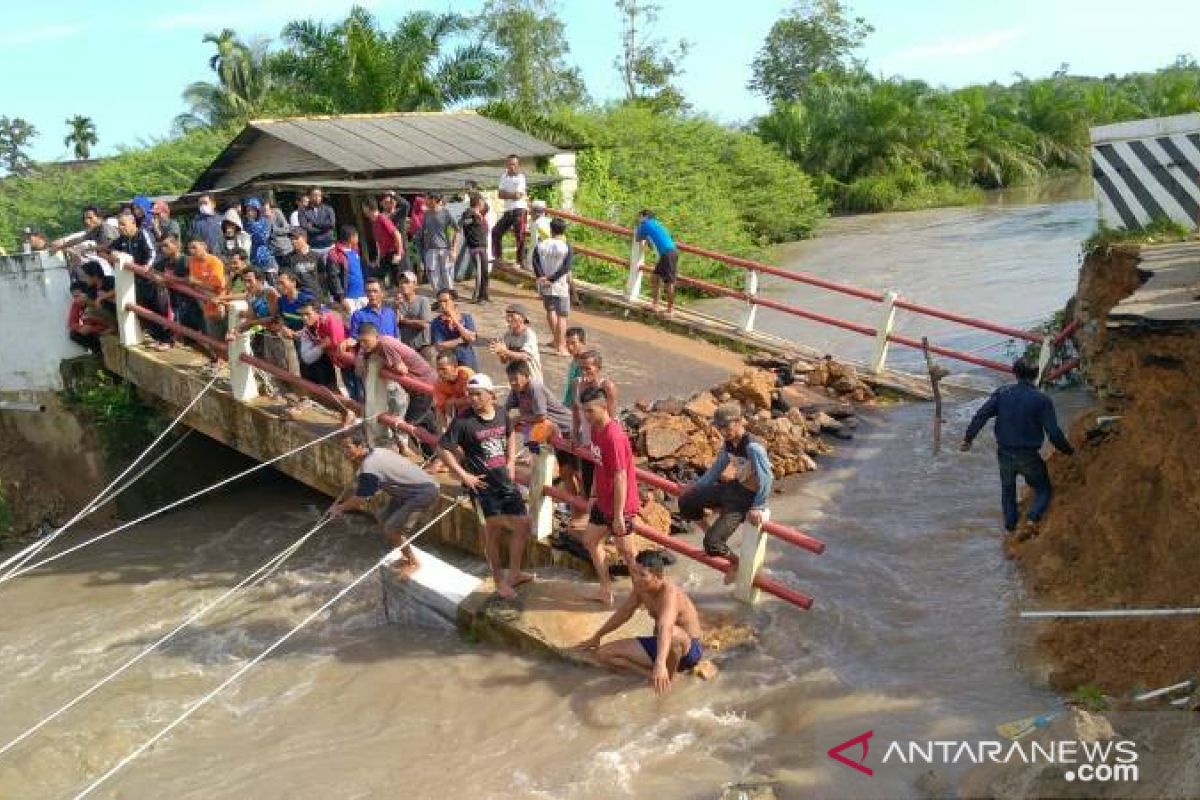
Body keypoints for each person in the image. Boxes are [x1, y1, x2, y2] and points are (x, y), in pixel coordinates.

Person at [437, 373, 533, 600]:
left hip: (505, 482)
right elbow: (443, 448)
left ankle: (516, 573)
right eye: (470, 395)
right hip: (482, 486)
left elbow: (509, 435)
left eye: (477, 395)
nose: (472, 399)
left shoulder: (501, 413)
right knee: (494, 530)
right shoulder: (463, 421)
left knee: (523, 526)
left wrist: (510, 461)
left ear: (491, 395)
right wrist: (462, 475)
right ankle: (500, 580)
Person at [961, 358, 1075, 537]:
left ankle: (1010, 528)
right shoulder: (1042, 400)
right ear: (1036, 375)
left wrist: (968, 438)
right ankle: (1032, 519)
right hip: (1028, 455)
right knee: (1043, 489)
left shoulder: (1002, 393)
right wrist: (1068, 451)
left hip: (1005, 453)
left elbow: (981, 415)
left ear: (1015, 373)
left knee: (1008, 491)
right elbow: (1054, 433)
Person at [577, 550, 704, 695]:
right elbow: (624, 613)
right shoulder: (641, 587)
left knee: (673, 633)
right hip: (662, 646)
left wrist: (660, 663)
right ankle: (651, 675)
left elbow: (666, 627)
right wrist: (598, 636)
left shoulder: (670, 593)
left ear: (658, 577)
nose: (636, 579)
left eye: (642, 575)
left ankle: (669, 678)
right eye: (635, 572)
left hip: (688, 650)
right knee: (603, 654)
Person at [678, 404, 773, 583]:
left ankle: (735, 562)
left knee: (712, 545)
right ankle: (711, 533)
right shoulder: (729, 444)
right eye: (720, 428)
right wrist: (696, 486)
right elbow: (716, 469)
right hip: (733, 488)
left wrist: (758, 506)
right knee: (686, 501)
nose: (724, 432)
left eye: (727, 427)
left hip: (746, 499)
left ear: (739, 422)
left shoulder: (753, 447)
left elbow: (767, 477)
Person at [332, 433, 440, 578]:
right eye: (342, 448)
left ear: (362, 446)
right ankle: (404, 554)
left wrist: (340, 507)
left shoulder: (369, 468)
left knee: (392, 529)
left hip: (422, 493)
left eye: (348, 447)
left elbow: (360, 500)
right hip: (406, 491)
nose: (344, 451)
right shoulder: (377, 451)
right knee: (383, 518)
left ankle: (414, 563)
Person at [575, 384, 640, 605]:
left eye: (590, 411)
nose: (586, 415)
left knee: (628, 553)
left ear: (604, 408)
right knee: (590, 541)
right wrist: (593, 494)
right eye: (584, 410)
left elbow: (620, 477)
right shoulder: (595, 429)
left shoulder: (614, 437)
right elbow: (598, 464)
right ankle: (605, 589)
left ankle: (643, 596)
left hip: (621, 506)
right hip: (603, 502)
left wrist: (619, 514)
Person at [356, 323, 438, 451]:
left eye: (366, 341)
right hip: (420, 386)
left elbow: (402, 370)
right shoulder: (377, 344)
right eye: (360, 341)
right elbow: (362, 352)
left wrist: (385, 367)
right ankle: (433, 454)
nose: (363, 345)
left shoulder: (385, 345)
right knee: (425, 422)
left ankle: (428, 454)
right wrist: (362, 355)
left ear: (376, 337)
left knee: (408, 425)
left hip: (423, 385)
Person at [111, 211, 174, 351]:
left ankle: (167, 340)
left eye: (123, 224)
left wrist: (147, 266)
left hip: (152, 280)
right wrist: (113, 253)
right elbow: (111, 248)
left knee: (159, 309)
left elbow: (152, 252)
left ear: (133, 223)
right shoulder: (121, 240)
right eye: (119, 225)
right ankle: (157, 338)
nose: (120, 227)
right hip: (137, 282)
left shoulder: (143, 234)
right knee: (145, 311)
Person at [296, 300, 355, 425]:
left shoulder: (329, 321)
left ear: (318, 313)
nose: (304, 318)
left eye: (308, 314)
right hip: (343, 363)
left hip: (351, 361)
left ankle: (353, 414)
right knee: (351, 391)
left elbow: (336, 343)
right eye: (302, 315)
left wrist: (323, 344)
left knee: (357, 393)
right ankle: (351, 414)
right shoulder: (313, 326)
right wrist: (323, 344)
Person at [504, 360, 572, 454]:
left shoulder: (535, 388)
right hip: (544, 426)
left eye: (515, 379)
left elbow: (541, 416)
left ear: (526, 376)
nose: (512, 383)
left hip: (566, 427)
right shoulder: (516, 389)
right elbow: (505, 409)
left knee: (569, 462)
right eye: (510, 380)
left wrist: (519, 418)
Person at [186, 237, 229, 372]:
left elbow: (215, 286)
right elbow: (194, 283)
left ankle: (224, 362)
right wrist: (202, 285)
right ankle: (219, 360)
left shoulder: (215, 262)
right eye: (189, 248)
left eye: (194, 247)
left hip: (220, 303)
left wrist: (198, 283)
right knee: (212, 335)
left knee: (223, 334)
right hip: (205, 303)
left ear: (204, 246)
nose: (191, 251)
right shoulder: (192, 261)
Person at [532, 217, 573, 356]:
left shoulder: (541, 245)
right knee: (562, 316)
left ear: (551, 229)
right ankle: (561, 346)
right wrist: (553, 279)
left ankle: (556, 340)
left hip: (544, 283)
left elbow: (535, 261)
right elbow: (566, 267)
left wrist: (542, 276)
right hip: (559, 286)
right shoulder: (566, 247)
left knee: (550, 311)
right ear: (563, 231)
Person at [635, 210, 680, 317]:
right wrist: (648, 239)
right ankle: (655, 305)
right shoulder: (656, 223)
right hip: (669, 252)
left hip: (667, 254)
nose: (638, 219)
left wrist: (645, 236)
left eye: (640, 217)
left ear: (645, 217)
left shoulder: (645, 224)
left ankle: (670, 310)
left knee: (669, 282)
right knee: (655, 277)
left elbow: (637, 238)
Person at [156, 234, 201, 334]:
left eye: (166, 246)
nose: (163, 249)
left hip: (189, 304)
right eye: (161, 246)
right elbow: (152, 271)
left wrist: (170, 280)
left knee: (195, 334)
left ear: (177, 245)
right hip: (174, 302)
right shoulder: (165, 262)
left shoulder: (186, 261)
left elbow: (193, 280)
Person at [489, 304, 542, 383]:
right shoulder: (508, 335)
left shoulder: (529, 335)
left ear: (522, 318)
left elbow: (525, 356)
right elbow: (504, 361)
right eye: (507, 316)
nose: (509, 319)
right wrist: (500, 353)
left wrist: (505, 351)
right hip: (516, 381)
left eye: (512, 316)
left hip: (532, 380)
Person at [491, 154, 528, 265]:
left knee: (519, 236)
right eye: (510, 164)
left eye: (514, 164)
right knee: (496, 232)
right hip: (508, 210)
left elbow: (518, 195)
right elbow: (500, 194)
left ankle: (520, 261)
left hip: (519, 210)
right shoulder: (504, 176)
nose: (511, 166)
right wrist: (511, 194)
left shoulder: (521, 177)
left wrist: (506, 194)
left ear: (517, 165)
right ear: (506, 165)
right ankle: (498, 257)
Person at [274, 269, 312, 377]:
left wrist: (300, 333)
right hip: (296, 341)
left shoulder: (306, 299)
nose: (279, 286)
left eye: (282, 283)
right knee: (303, 369)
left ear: (293, 283)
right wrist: (284, 328)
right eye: (278, 283)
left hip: (311, 342)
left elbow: (313, 321)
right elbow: (281, 317)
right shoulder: (281, 301)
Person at [430, 289, 479, 371]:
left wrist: (455, 321)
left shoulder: (466, 318)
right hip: (448, 364)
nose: (442, 304)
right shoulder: (436, 322)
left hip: (467, 361)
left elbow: (471, 338)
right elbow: (439, 346)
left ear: (453, 301)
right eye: (440, 302)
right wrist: (461, 340)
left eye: (445, 301)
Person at [363, 197, 405, 287]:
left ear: (368, 207)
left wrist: (398, 253)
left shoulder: (382, 218)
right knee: (377, 277)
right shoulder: (373, 222)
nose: (363, 211)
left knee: (398, 280)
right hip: (384, 256)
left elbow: (397, 234)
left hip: (393, 253)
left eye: (364, 208)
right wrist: (378, 258)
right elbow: (378, 243)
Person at [395, 271, 435, 363]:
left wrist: (404, 321)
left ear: (415, 285)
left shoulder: (423, 301)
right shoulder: (397, 303)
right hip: (406, 347)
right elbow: (395, 324)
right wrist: (396, 307)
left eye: (407, 282)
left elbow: (424, 324)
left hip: (423, 347)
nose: (403, 285)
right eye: (401, 283)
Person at [420, 194, 458, 292]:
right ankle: (439, 295)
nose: (425, 201)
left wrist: (453, 249)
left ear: (434, 200)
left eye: (427, 199)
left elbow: (457, 230)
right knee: (433, 274)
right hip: (430, 249)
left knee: (446, 273)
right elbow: (423, 231)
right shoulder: (426, 214)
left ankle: (450, 294)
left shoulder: (446, 213)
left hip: (445, 248)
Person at [326, 225, 367, 313]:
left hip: (362, 295)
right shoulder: (334, 253)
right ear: (351, 237)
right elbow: (333, 277)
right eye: (357, 236)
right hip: (348, 299)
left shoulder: (355, 250)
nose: (358, 238)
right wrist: (341, 298)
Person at [459, 192, 490, 303]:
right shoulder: (468, 214)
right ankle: (477, 297)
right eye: (482, 201)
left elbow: (487, 207)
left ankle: (485, 296)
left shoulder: (481, 214)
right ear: (478, 202)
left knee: (485, 273)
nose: (484, 203)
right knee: (480, 273)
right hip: (475, 248)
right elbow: (465, 221)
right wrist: (474, 213)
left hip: (483, 247)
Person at [432, 352, 474, 432]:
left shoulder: (466, 374)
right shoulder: (439, 384)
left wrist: (452, 401)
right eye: (438, 370)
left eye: (444, 369)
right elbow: (440, 410)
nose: (440, 373)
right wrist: (444, 431)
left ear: (455, 367)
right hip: (461, 415)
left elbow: (472, 400)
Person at [68, 280, 110, 353]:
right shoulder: (76, 304)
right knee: (73, 334)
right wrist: (80, 328)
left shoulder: (95, 302)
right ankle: (97, 353)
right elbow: (71, 323)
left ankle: (100, 352)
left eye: (78, 296)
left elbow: (108, 323)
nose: (76, 299)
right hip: (91, 331)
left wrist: (92, 329)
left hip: (104, 330)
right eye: (74, 297)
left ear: (86, 294)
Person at [286, 227, 325, 300]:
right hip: (299, 297)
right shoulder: (288, 258)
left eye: (296, 238)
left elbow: (322, 277)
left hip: (316, 296)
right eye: (291, 239)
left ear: (304, 238)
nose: (293, 241)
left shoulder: (317, 256)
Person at [242, 198, 277, 276]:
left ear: (258, 210)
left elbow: (262, 239)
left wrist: (252, 224)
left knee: (270, 281)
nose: (250, 213)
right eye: (248, 210)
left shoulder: (265, 222)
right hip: (251, 257)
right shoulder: (244, 224)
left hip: (265, 256)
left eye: (252, 210)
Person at [299, 187, 336, 254]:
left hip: (329, 246)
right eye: (315, 195)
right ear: (309, 196)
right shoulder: (303, 211)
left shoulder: (328, 209)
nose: (317, 197)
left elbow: (331, 224)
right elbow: (305, 227)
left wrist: (314, 224)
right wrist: (325, 229)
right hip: (314, 247)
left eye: (319, 195)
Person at [263, 195, 293, 270]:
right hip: (273, 251)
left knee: (290, 271)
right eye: (263, 209)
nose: (265, 211)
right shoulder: (261, 218)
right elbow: (265, 235)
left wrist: (274, 230)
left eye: (267, 208)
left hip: (286, 249)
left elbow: (287, 229)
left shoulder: (277, 212)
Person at [562, 327, 588, 407]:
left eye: (573, 343)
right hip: (567, 404)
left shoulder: (585, 364)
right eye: (567, 343)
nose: (569, 347)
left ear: (582, 343)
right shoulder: (575, 360)